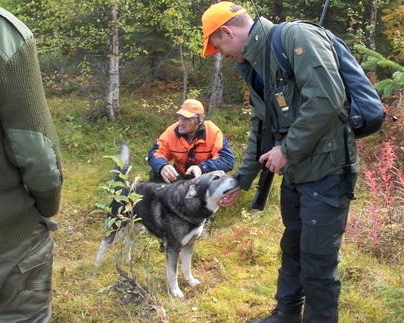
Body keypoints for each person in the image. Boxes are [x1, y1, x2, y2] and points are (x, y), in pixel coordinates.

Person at [202, 2, 358, 323]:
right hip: (298, 174)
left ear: (228, 32)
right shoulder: (256, 67)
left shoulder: (296, 37)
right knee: (293, 249)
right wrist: (240, 181)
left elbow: (327, 99)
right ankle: (286, 316)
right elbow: (261, 128)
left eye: (220, 47)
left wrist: (286, 149)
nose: (223, 55)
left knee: (317, 262)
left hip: (327, 171)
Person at [0, 3, 63, 322]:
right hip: (5, 237)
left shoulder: (208, 132)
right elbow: (36, 150)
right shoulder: (0, 36)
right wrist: (47, 206)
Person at [148, 98, 236, 183]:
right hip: (179, 175)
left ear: (200, 120)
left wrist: (202, 168)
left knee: (218, 178)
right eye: (180, 117)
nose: (181, 122)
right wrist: (162, 166)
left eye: (186, 118)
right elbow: (155, 152)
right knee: (157, 171)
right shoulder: (172, 132)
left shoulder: (213, 132)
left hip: (204, 177)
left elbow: (227, 160)